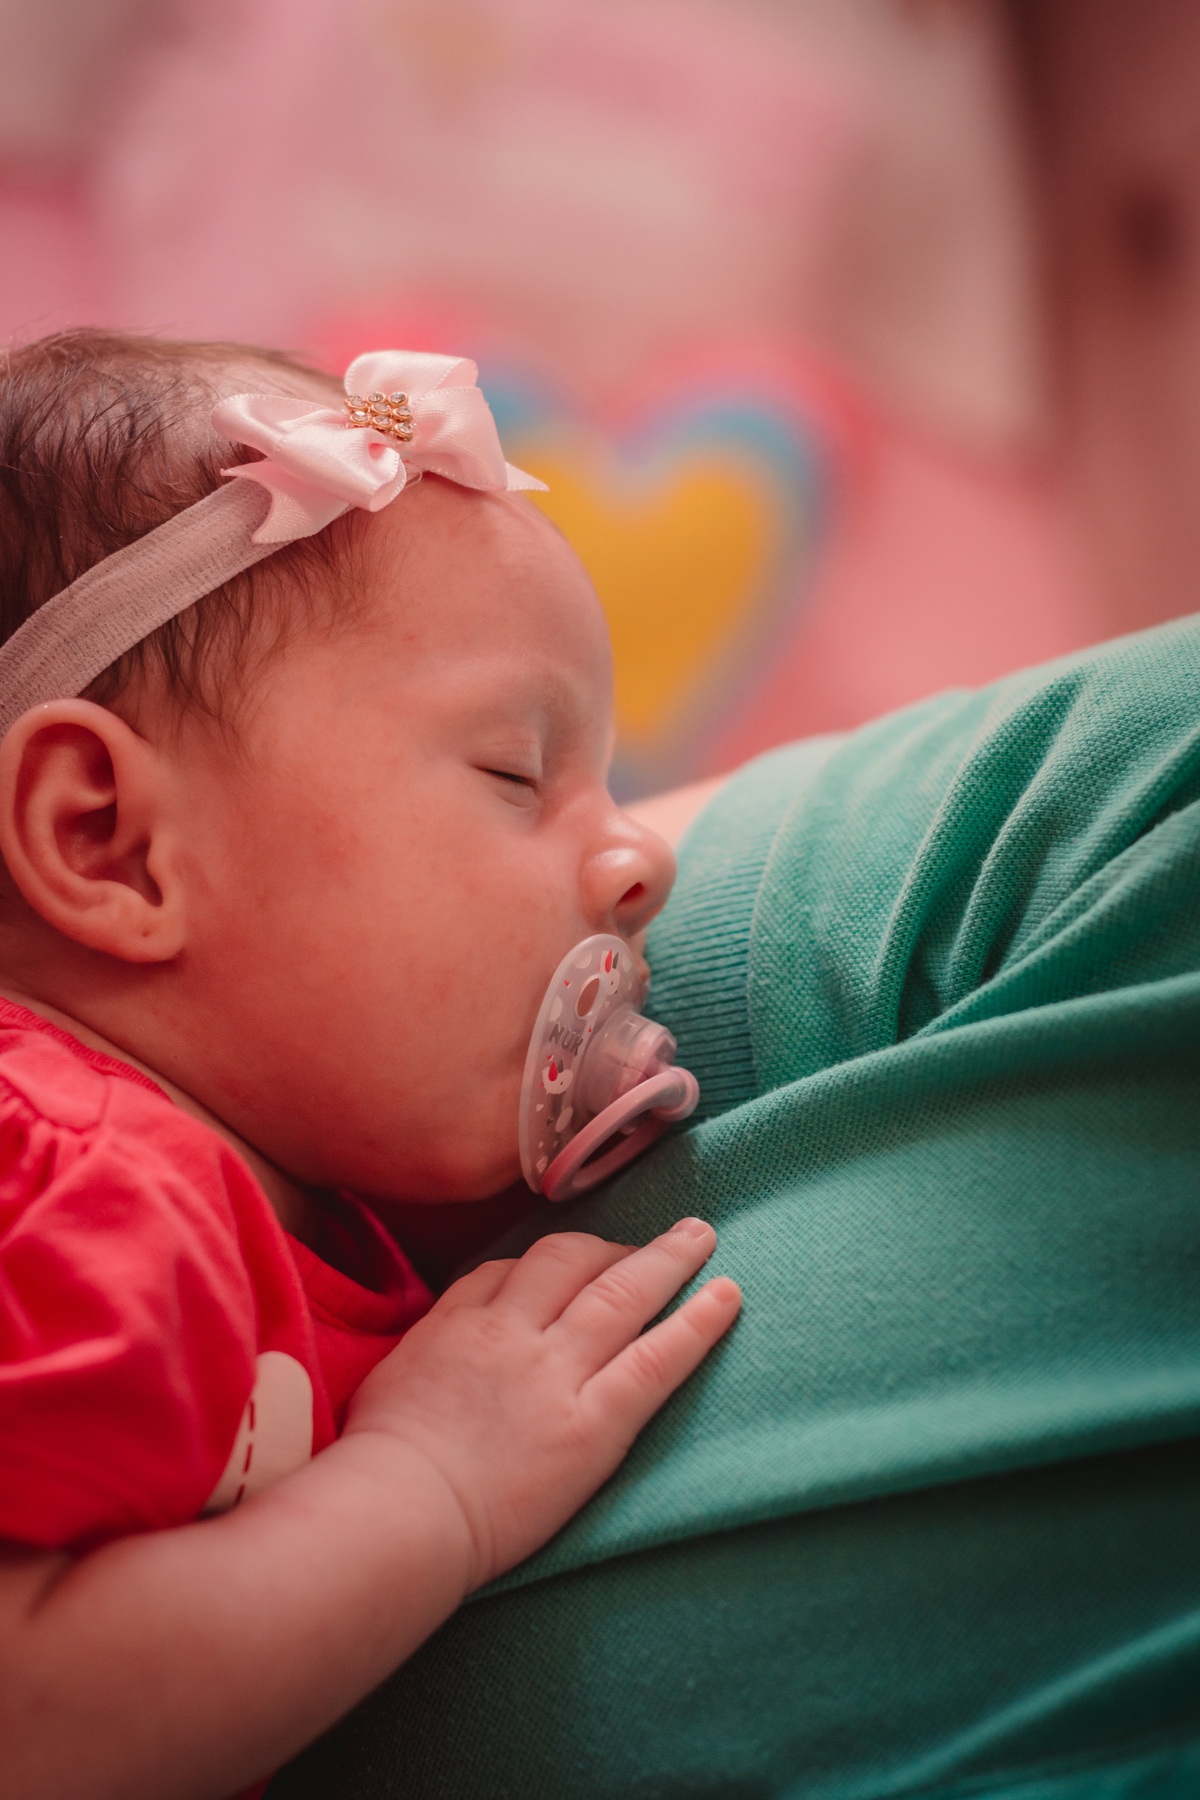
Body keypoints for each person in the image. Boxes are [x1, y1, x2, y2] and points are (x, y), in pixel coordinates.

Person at [0, 329, 742, 1800]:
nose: (638, 859)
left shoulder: (286, 1177)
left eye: (616, 782)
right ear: (111, 842)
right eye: (514, 773)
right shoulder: (68, 1183)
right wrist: (434, 1489)